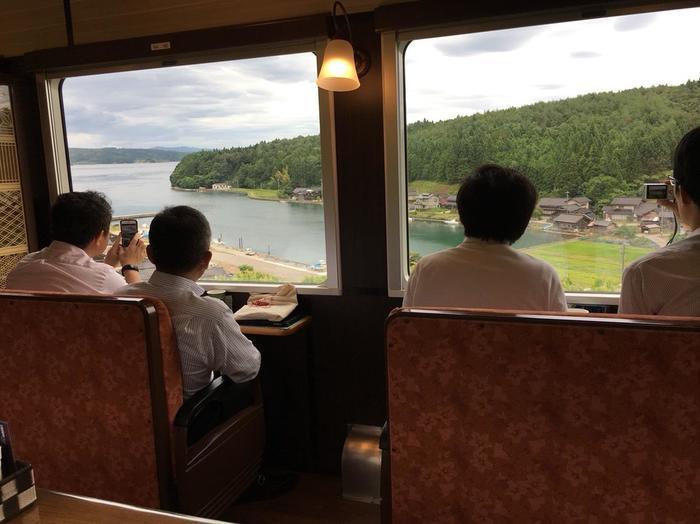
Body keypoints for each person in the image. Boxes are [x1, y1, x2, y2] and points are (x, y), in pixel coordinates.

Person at [117, 205, 260, 398]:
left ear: (149, 254)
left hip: (124, 412)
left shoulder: (120, 300)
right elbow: (246, 369)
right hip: (188, 420)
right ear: (206, 259)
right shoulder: (210, 314)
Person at [403, 164, 567, 311]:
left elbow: (407, 331)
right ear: (523, 221)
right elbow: (560, 339)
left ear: (462, 215)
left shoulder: (426, 270)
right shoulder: (543, 276)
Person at [619, 126, 700, 316]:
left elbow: (630, 344)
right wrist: (682, 209)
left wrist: (682, 207)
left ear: (683, 193)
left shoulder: (645, 273)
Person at [5, 191, 145, 293]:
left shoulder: (22, 267)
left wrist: (108, 265)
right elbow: (143, 306)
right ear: (100, 236)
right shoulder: (104, 279)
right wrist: (130, 265)